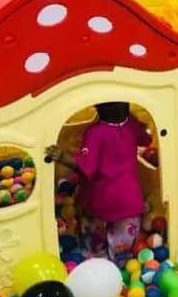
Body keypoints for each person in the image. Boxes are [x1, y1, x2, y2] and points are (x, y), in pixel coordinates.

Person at [46, 102, 151, 267]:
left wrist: (62, 157)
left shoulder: (95, 132)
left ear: (98, 107)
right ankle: (120, 267)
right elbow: (146, 139)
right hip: (130, 200)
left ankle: (98, 265)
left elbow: (86, 166)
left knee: (94, 251)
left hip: (102, 201)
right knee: (123, 252)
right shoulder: (131, 123)